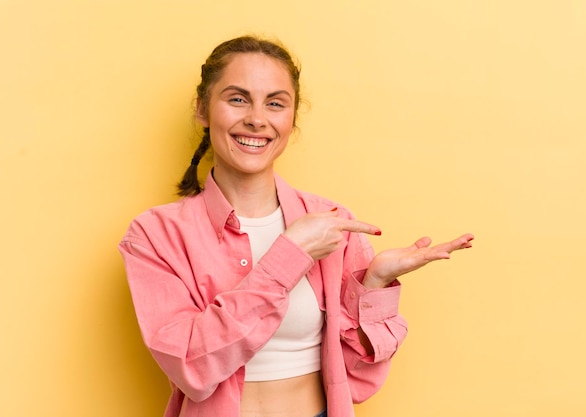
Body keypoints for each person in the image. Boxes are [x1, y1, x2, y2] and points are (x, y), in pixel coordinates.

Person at [118, 35, 474, 417]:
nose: (257, 119)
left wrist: (372, 284)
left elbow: (357, 380)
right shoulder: (154, 236)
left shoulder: (332, 224)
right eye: (238, 98)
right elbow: (191, 365)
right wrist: (287, 258)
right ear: (202, 109)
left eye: (275, 103)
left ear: (291, 119)